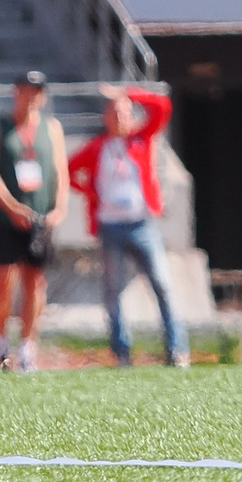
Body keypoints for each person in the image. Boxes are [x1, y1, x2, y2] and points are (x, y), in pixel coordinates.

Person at [66, 87, 190, 368]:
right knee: (114, 290)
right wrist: (89, 191)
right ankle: (122, 351)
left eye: (125, 112)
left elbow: (162, 107)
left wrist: (129, 93)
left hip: (142, 224)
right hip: (111, 227)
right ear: (107, 117)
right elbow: (68, 169)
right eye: (116, 112)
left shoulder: (141, 140)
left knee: (162, 283)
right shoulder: (98, 147)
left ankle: (177, 348)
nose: (121, 118)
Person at [0, 70, 65, 372]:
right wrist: (11, 206)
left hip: (39, 218)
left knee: (35, 282)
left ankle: (28, 345)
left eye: (37, 91)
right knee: (5, 281)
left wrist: (59, 209)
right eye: (26, 90)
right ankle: (1, 342)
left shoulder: (51, 128)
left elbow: (59, 171)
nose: (31, 97)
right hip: (6, 217)